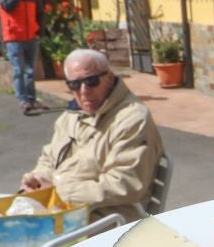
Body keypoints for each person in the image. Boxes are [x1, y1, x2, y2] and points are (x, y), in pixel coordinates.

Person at [20, 49, 164, 224]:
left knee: (25, 242)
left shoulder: (132, 119)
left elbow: (124, 183)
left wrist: (60, 192)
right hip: (64, 208)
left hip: (109, 216)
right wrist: (37, 179)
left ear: (109, 78)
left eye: (91, 81)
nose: (84, 91)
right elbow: (50, 158)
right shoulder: (72, 114)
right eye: (74, 84)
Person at [0, 0, 43, 116]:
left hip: (30, 36)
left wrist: (39, 32)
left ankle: (32, 99)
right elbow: (7, 7)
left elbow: (40, 11)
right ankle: (23, 100)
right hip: (14, 37)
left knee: (30, 71)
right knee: (19, 70)